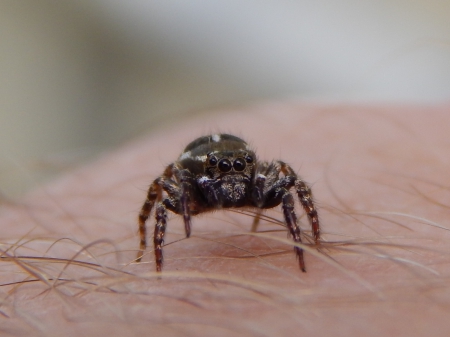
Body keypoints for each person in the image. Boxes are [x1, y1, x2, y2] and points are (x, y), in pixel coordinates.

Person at [1, 103, 449, 336]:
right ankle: (151, 257)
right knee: (164, 193)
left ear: (250, 166)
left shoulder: (260, 178)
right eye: (224, 171)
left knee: (291, 184)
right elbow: (161, 189)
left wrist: (310, 233)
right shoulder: (186, 184)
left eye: (241, 169)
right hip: (192, 186)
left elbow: (292, 182)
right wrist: (150, 235)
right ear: (206, 171)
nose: (233, 179)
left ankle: (305, 245)